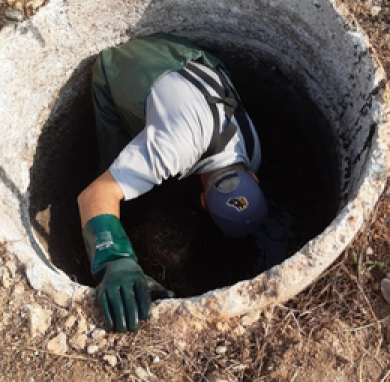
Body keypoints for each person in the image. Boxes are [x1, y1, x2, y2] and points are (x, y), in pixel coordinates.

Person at [78, 33, 269, 333]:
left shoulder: (252, 148)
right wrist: (115, 261)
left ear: (254, 178)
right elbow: (93, 194)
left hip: (184, 53)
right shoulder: (172, 150)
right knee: (113, 169)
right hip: (130, 66)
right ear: (203, 203)